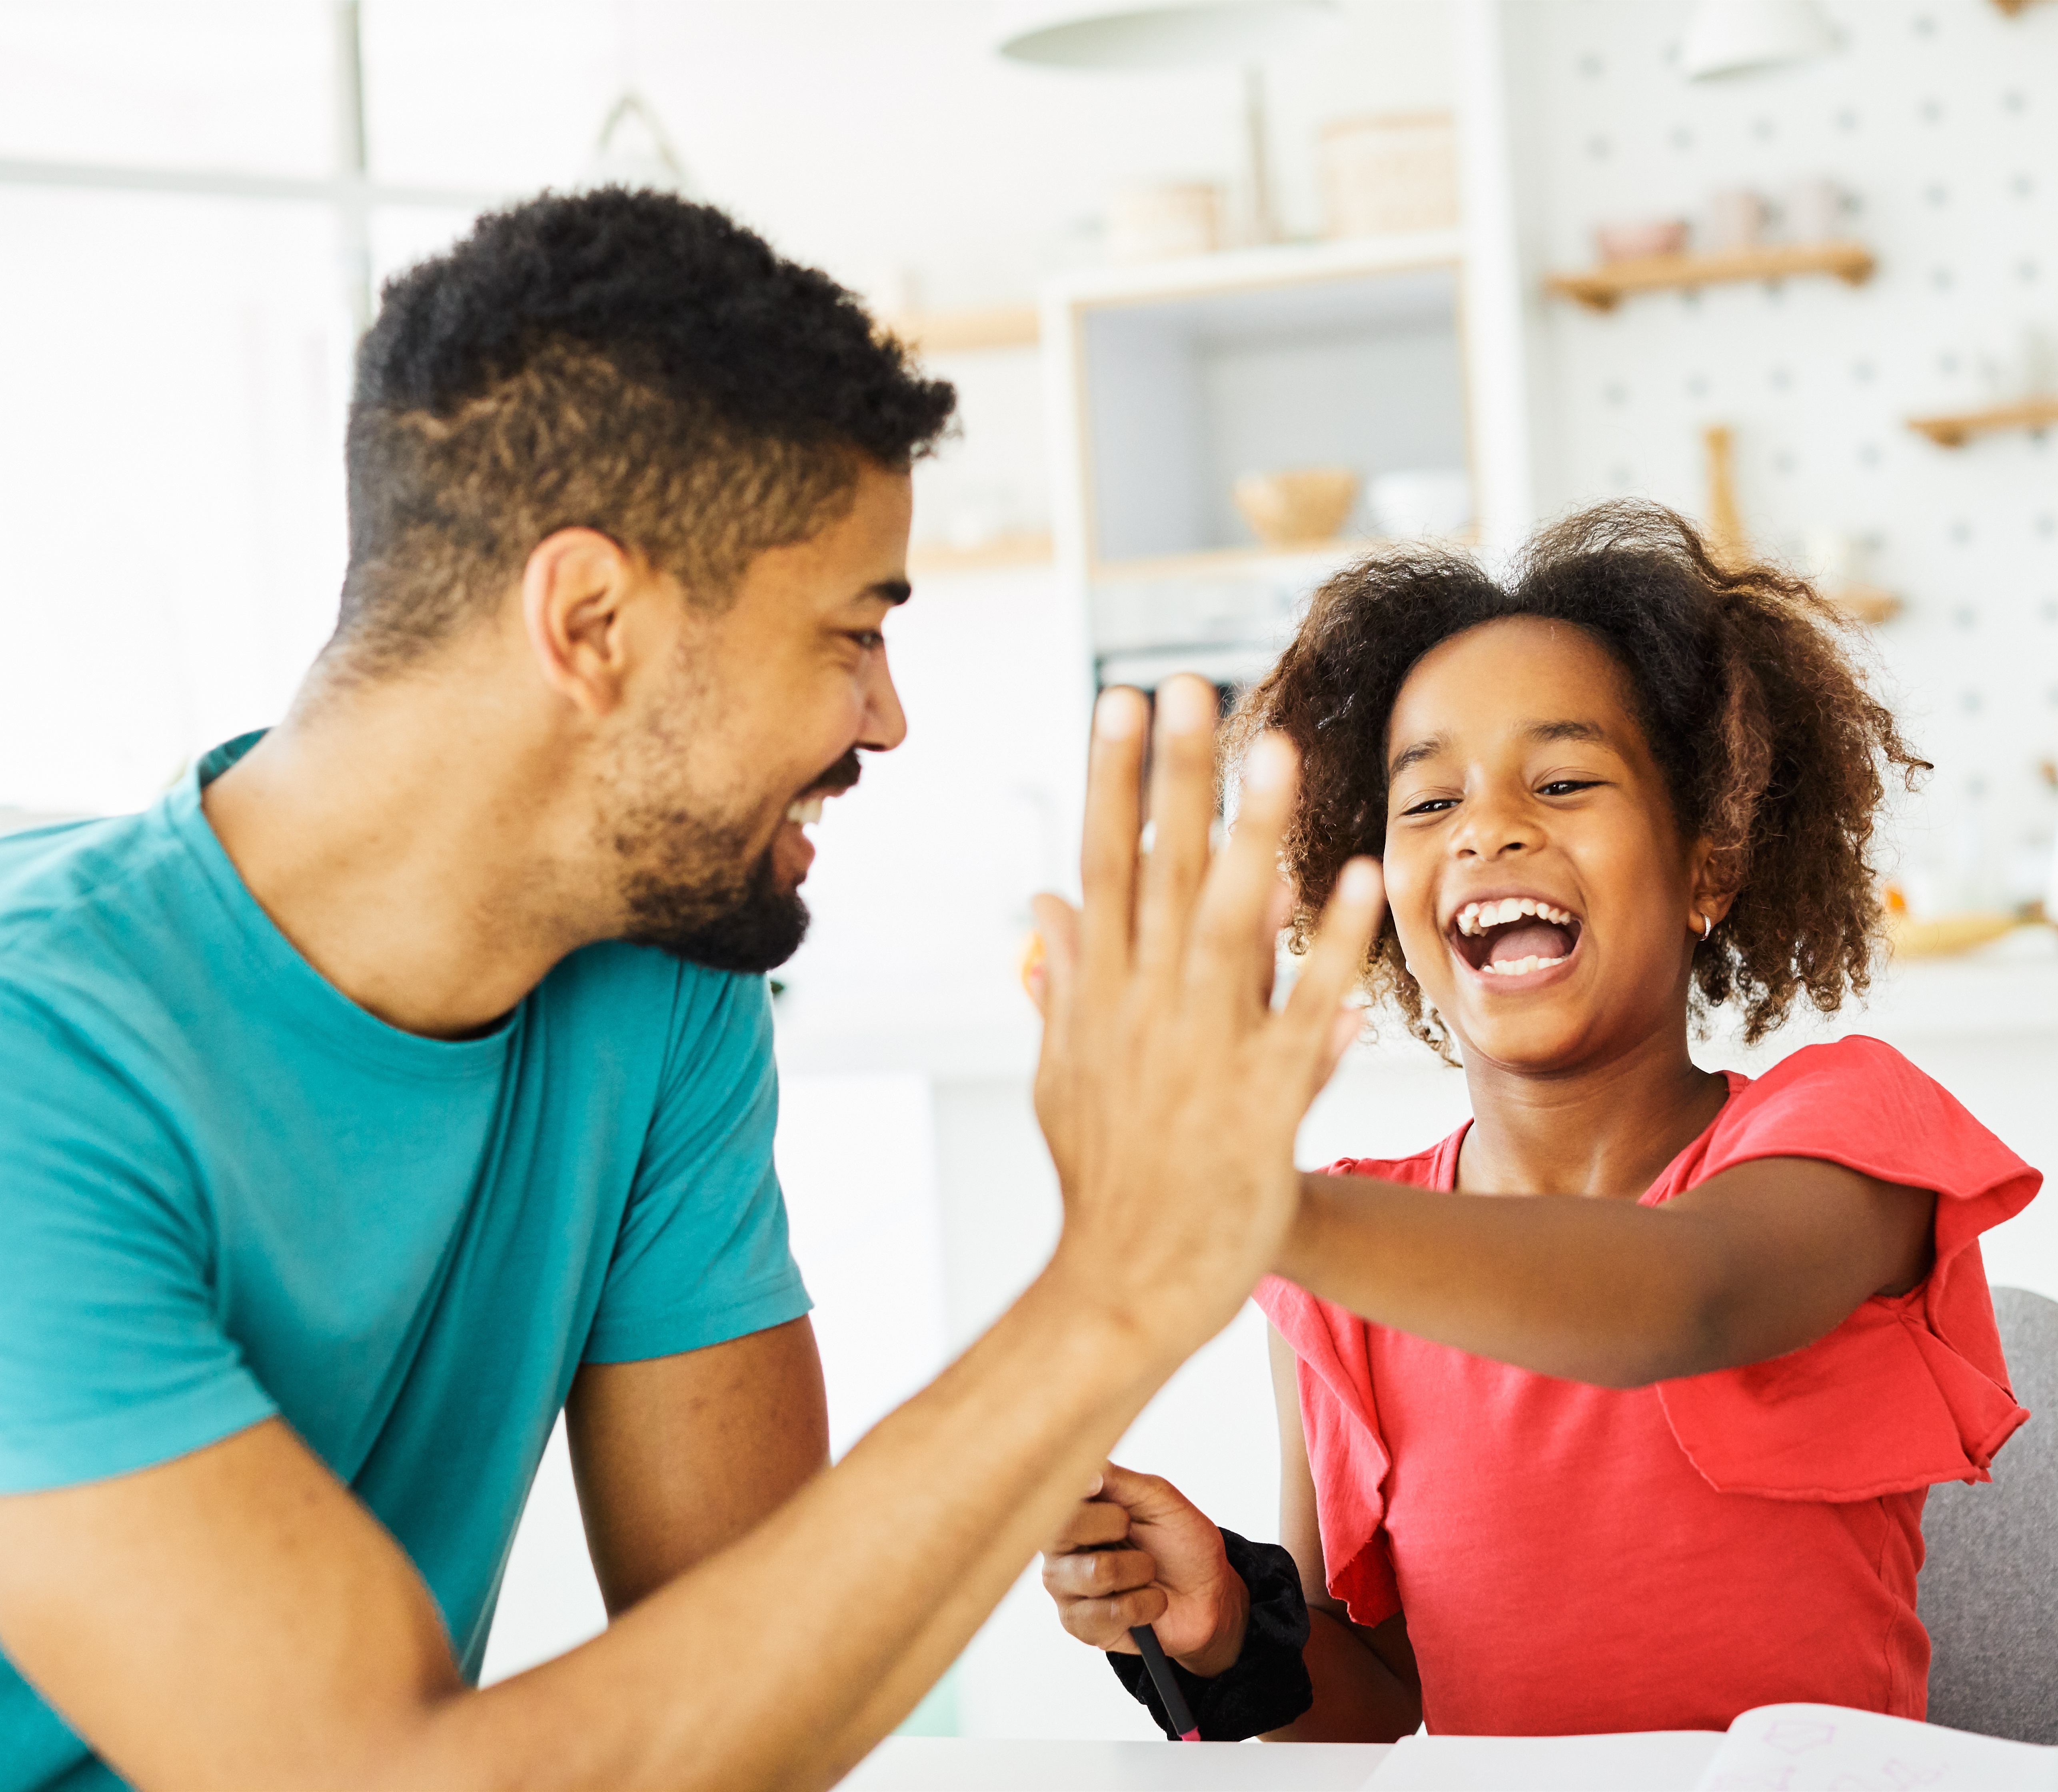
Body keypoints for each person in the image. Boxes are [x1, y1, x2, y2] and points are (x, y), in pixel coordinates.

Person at [0, 188, 1383, 1792]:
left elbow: (751, 1705)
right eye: (851, 633)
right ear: (589, 622)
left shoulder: (661, 986)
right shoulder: (42, 1060)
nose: (888, 718)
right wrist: (1111, 1293)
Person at [1039, 504, 2043, 1742]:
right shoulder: (1340, 1284)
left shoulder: (1841, 1136)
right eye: (1426, 803)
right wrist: (1230, 1635)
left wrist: (1266, 1208)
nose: (1488, 826)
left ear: (1709, 864)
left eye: (1563, 781)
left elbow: (1683, 1298)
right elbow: (1383, 1710)